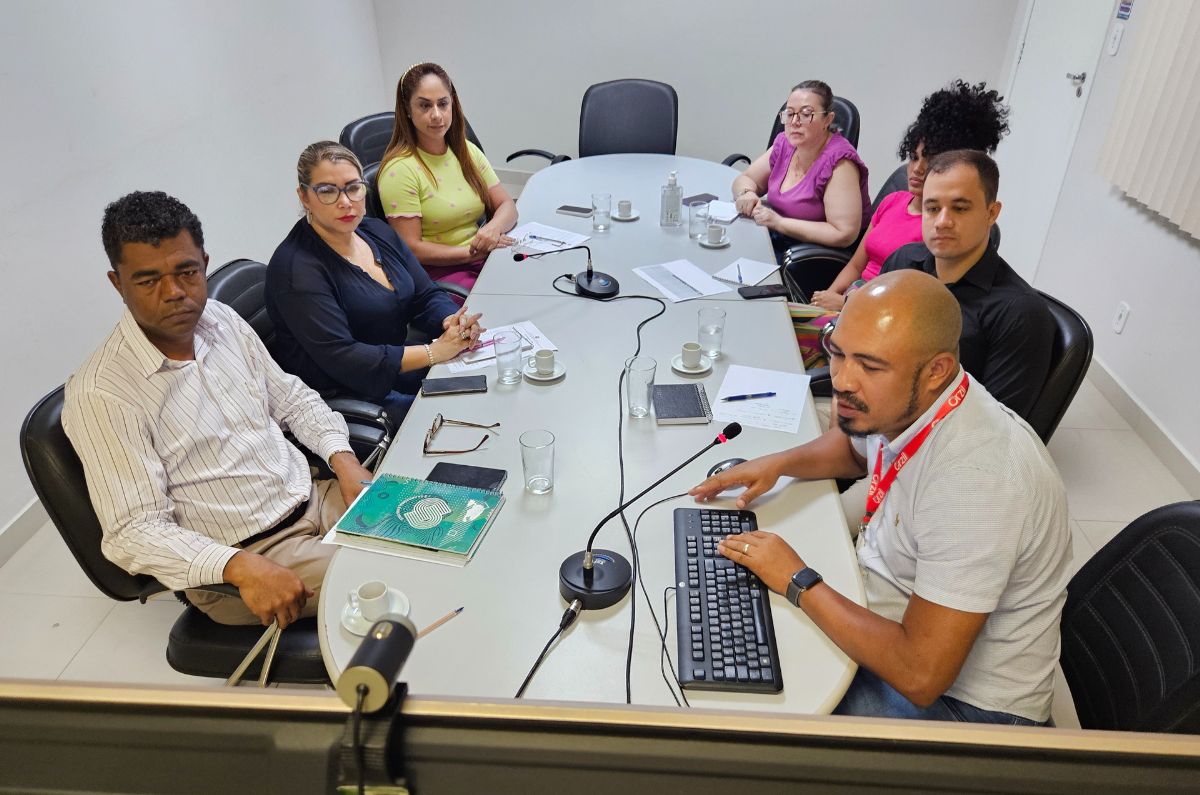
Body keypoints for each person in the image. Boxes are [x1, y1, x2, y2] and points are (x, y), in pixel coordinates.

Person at [690, 269, 1071, 725]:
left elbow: (920, 674)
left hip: (966, 709)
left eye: (870, 366)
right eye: (838, 354)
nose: (843, 381)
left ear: (936, 371)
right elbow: (853, 451)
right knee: (745, 632)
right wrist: (775, 464)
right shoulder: (912, 401)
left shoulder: (977, 481)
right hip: (896, 618)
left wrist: (797, 579)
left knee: (744, 714)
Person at [63, 191, 376, 629]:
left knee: (448, 527)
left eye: (186, 272)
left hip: (317, 498)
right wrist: (241, 568)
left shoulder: (221, 319)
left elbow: (292, 398)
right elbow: (133, 531)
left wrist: (344, 463)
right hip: (248, 557)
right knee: (412, 574)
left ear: (204, 264)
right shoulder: (102, 393)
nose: (174, 293)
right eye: (148, 280)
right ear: (118, 283)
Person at [267, 141, 483, 425]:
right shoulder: (297, 269)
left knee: (481, 386)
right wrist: (433, 352)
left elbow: (425, 295)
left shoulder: (374, 230)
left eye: (353, 187)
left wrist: (451, 321)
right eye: (327, 191)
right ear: (304, 197)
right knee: (458, 418)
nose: (345, 202)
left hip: (394, 365)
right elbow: (344, 357)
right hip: (345, 396)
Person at [880, 149, 1054, 421]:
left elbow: (993, 426)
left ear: (991, 213)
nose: (942, 222)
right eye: (933, 208)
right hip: (873, 409)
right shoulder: (902, 263)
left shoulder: (1019, 312)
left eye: (960, 208)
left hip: (933, 445)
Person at [811, 81, 1010, 312]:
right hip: (847, 305)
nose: (917, 169)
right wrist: (828, 301)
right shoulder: (892, 201)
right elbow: (856, 265)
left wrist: (845, 305)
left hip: (880, 313)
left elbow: (910, 303)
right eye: (914, 157)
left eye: (932, 160)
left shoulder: (939, 229)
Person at [377, 62, 518, 291]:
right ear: (407, 110)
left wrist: (493, 228)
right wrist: (473, 252)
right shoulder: (400, 170)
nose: (436, 115)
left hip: (482, 259)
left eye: (443, 104)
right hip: (442, 275)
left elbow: (507, 205)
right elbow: (412, 249)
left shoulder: (466, 150)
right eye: (424, 106)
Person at [731, 80, 870, 252]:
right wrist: (746, 193)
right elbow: (746, 178)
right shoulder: (784, 143)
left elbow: (843, 233)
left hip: (811, 256)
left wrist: (779, 223)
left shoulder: (840, 162)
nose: (795, 122)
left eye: (806, 114)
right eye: (789, 114)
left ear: (828, 119)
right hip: (777, 239)